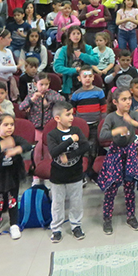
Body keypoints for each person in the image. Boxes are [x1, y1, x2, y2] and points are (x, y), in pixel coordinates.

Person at [98, 87, 138, 233]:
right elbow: (102, 135)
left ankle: (131, 216)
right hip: (116, 153)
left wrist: (132, 121)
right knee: (111, 187)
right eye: (124, 99)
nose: (128, 102)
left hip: (130, 153)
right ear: (115, 102)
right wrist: (116, 131)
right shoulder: (111, 117)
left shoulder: (133, 114)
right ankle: (107, 218)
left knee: (129, 185)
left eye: (129, 99)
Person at [0, 114, 32, 243]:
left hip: (13, 174)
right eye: (6, 125)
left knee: (13, 200)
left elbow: (27, 145)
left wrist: (17, 149)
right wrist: (4, 145)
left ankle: (14, 225)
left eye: (11, 124)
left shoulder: (15, 139)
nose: (9, 127)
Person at [48, 101, 90, 243]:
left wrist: (70, 156)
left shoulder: (77, 130)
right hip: (58, 176)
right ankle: (56, 229)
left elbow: (85, 146)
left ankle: (76, 226)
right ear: (58, 118)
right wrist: (70, 141)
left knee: (76, 201)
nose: (72, 117)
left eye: (72, 114)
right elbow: (54, 152)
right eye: (68, 115)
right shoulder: (52, 135)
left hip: (75, 173)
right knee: (58, 203)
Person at [53, 26, 99, 97]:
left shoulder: (87, 48)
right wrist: (74, 70)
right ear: (69, 36)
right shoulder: (64, 50)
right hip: (70, 80)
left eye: (78, 33)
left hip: (86, 78)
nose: (76, 36)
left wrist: (82, 55)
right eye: (73, 34)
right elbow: (57, 67)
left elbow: (96, 61)